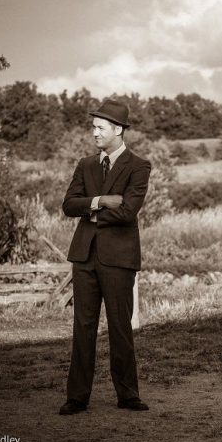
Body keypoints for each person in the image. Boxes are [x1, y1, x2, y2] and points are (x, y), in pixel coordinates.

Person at [59, 99, 152, 415]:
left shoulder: (139, 166)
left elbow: (127, 211)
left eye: (100, 127)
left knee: (119, 327)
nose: (94, 132)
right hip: (83, 257)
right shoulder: (85, 164)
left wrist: (92, 212)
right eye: (93, 126)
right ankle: (77, 397)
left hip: (119, 259)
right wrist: (99, 200)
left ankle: (127, 395)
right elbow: (69, 205)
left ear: (118, 130)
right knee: (82, 327)